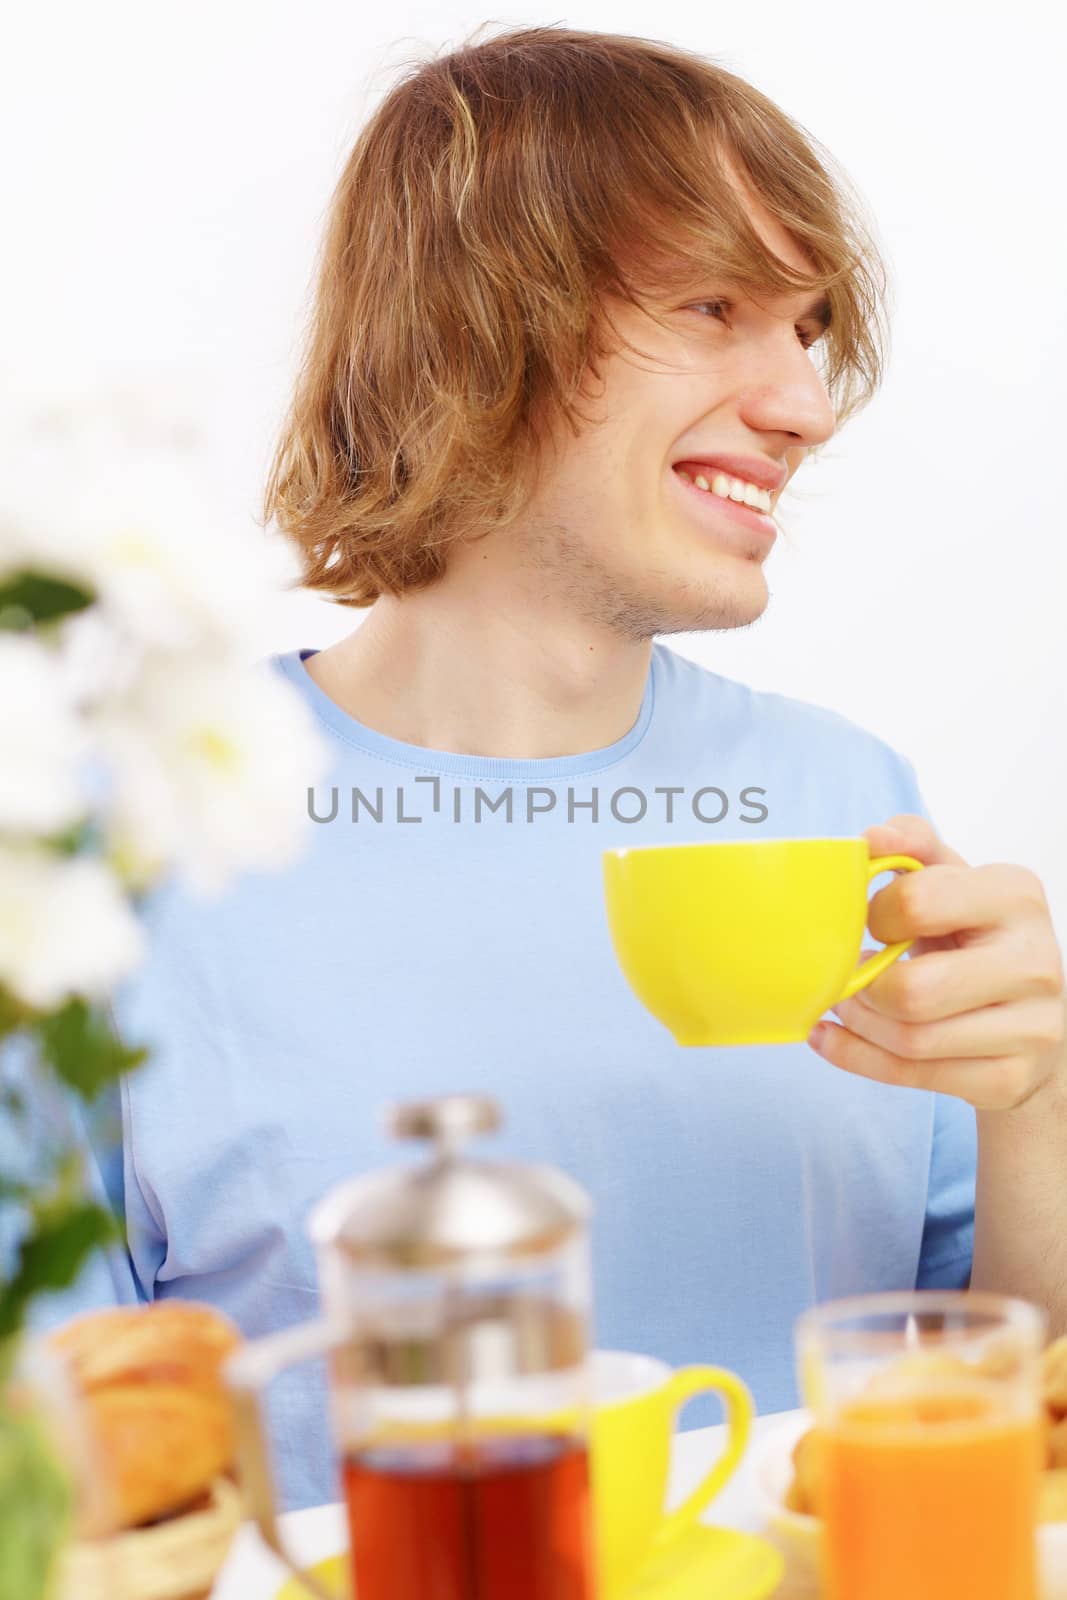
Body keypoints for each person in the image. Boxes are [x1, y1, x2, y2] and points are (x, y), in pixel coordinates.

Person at [30, 25, 1067, 1512]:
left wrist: (1036, 1110)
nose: (804, 407)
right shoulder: (121, 849)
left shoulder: (851, 808)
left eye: (809, 328)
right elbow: (63, 1499)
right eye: (716, 305)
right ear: (471, 329)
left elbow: (1017, 1416)